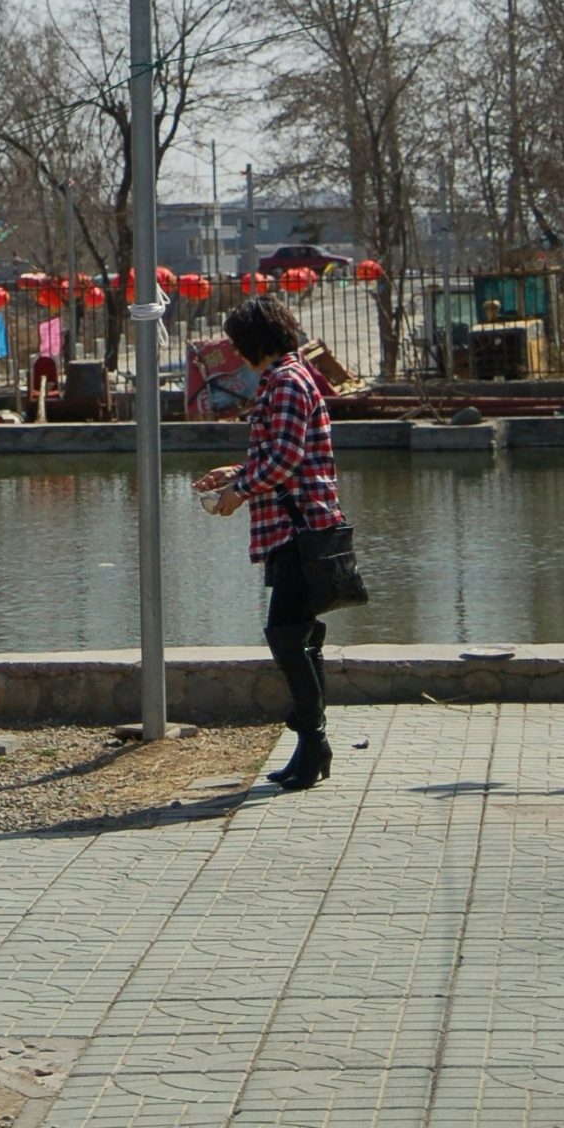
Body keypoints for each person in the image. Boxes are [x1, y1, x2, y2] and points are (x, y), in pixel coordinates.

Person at [194, 298, 346, 793]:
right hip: (298, 526)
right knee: (299, 635)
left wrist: (237, 494)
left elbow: (283, 461)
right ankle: (310, 745)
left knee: (286, 635)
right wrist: (235, 473)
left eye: (238, 341)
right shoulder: (292, 377)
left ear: (254, 340)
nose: (234, 350)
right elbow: (280, 456)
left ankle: (314, 739)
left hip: (298, 528)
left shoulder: (283, 381)